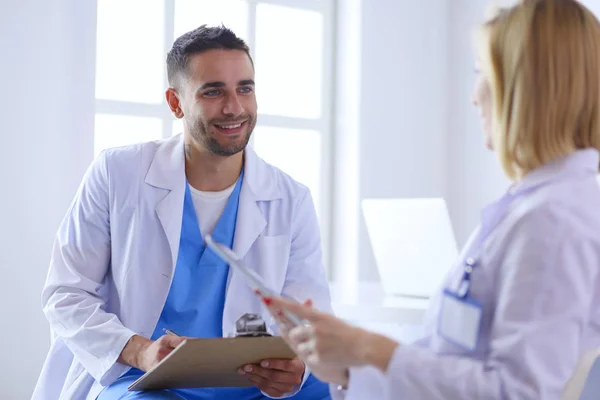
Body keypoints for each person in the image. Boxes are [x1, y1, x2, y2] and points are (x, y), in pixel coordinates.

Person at [265, 1, 600, 399]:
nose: (475, 96)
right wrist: (348, 368)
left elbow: (518, 393)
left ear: (524, 88)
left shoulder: (554, 220)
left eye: (481, 73)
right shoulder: (533, 207)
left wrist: (372, 349)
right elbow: (456, 363)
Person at [32, 25, 332, 400]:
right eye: (213, 91)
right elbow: (66, 294)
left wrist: (298, 369)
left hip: (252, 383)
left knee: (352, 388)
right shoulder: (118, 174)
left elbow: (312, 314)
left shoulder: (290, 197)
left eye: (245, 88)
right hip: (143, 376)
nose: (235, 107)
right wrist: (140, 350)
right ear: (176, 103)